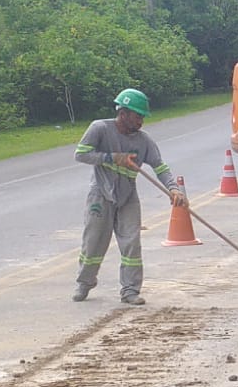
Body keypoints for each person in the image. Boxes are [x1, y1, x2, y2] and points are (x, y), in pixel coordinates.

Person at [72, 88, 187, 305]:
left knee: (131, 243)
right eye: (137, 116)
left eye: (142, 117)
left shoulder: (144, 141)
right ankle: (84, 283)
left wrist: (174, 189)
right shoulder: (100, 129)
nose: (141, 121)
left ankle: (130, 290)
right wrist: (111, 157)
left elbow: (160, 167)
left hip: (128, 197)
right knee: (93, 242)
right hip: (101, 194)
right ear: (123, 113)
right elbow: (81, 154)